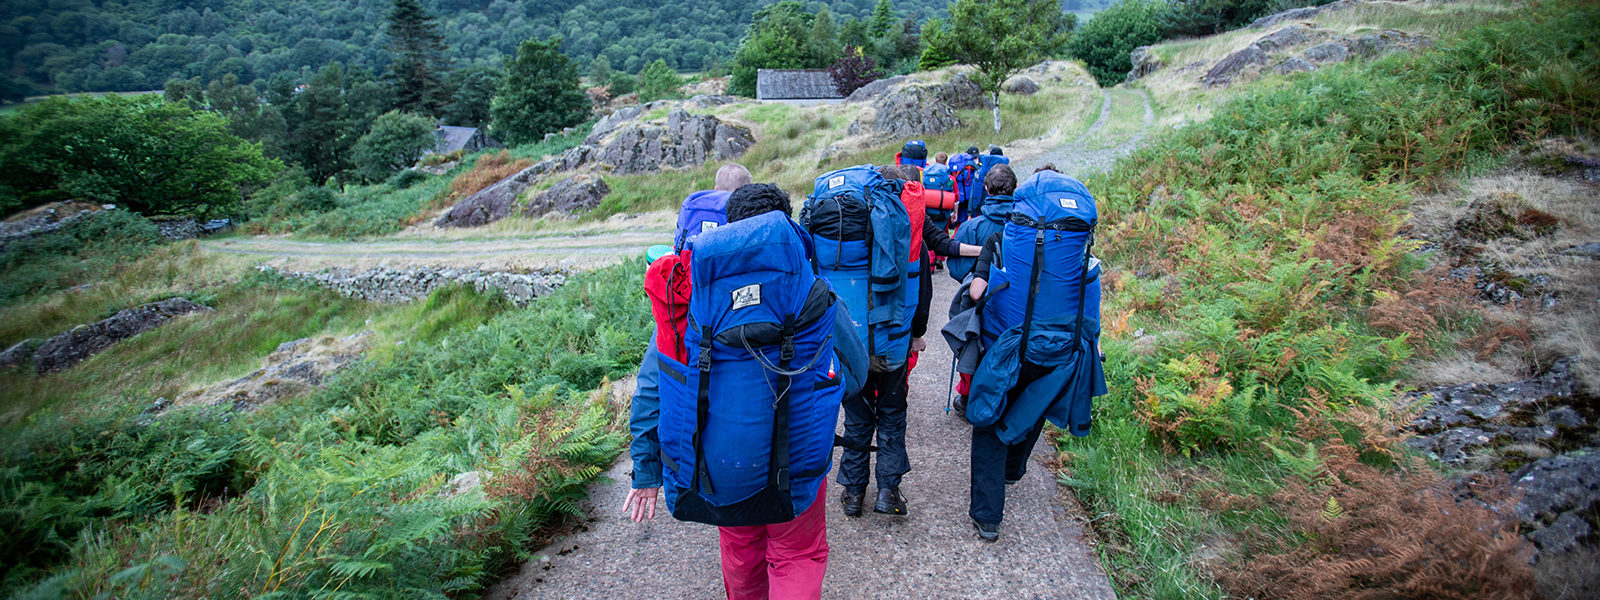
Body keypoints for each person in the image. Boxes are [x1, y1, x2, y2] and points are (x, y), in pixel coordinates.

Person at [626, 183, 869, 600]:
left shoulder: (691, 301)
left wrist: (647, 469)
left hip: (722, 464)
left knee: (741, 553)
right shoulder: (814, 291)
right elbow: (857, 373)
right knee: (797, 553)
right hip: (798, 462)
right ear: (787, 226)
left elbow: (655, 386)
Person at [963, 165, 1106, 543]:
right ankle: (1013, 469)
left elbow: (978, 292)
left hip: (1006, 347)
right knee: (1034, 407)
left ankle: (988, 517)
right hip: (1059, 351)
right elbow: (1089, 307)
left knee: (990, 421)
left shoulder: (1000, 238)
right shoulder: (1081, 252)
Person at [945, 163, 1018, 418]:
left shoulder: (972, 226)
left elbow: (954, 269)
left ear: (986, 189)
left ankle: (968, 397)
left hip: (980, 298)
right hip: (1016, 300)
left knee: (972, 340)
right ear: (1015, 189)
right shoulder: (1025, 227)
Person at [672, 163, 752, 250]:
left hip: (688, 260)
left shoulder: (694, 202)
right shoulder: (744, 207)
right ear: (746, 190)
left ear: (715, 189)